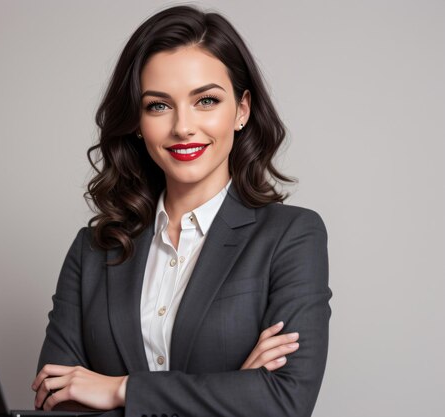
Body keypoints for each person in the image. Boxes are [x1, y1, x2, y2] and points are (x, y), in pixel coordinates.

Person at [31, 4, 332, 417]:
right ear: (137, 120)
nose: (183, 127)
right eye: (159, 105)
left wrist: (122, 390)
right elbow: (56, 399)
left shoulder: (291, 236)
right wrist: (234, 390)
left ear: (241, 110)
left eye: (206, 100)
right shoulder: (93, 249)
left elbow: (284, 401)